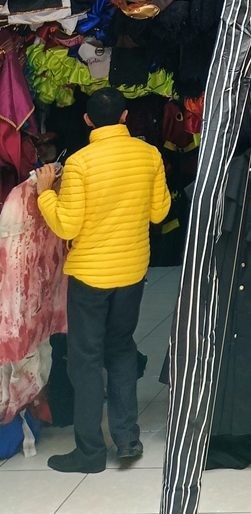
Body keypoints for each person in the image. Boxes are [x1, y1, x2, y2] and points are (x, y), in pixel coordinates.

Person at [34, 86, 171, 473]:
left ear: (87, 120)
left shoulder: (80, 163)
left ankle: (91, 452)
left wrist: (45, 194)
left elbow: (67, 225)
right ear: (125, 116)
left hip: (90, 276)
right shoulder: (149, 155)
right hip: (132, 272)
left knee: (86, 360)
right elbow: (159, 213)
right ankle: (127, 439)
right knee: (122, 349)